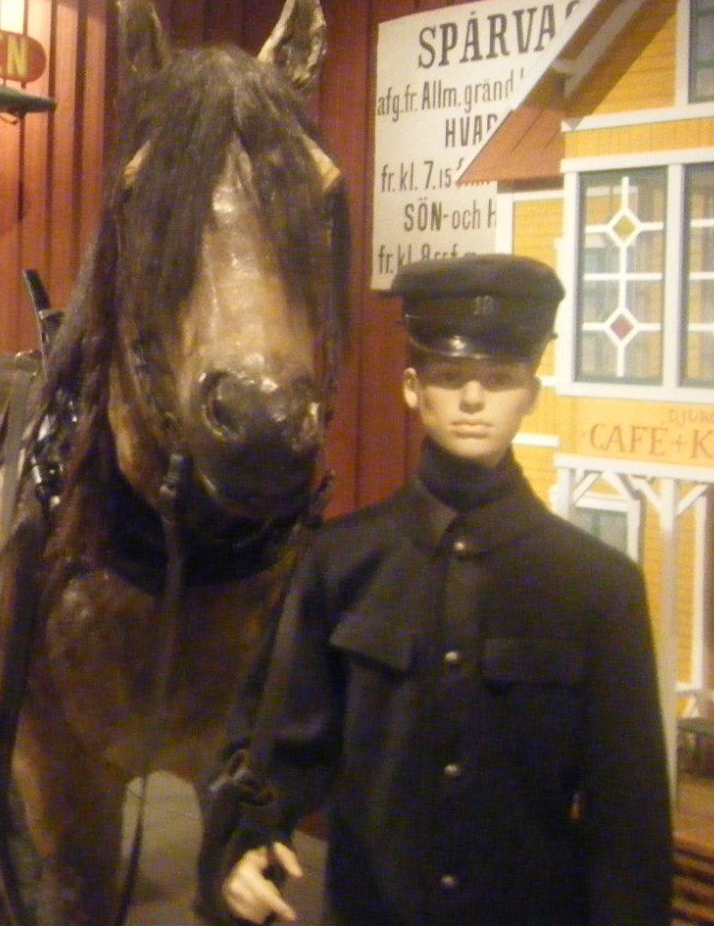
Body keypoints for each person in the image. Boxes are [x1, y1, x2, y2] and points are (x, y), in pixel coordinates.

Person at [215, 253, 671, 926]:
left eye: (500, 378)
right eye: (451, 376)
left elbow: (628, 816)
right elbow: (276, 743)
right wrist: (247, 842)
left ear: (532, 395)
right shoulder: (341, 563)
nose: (474, 399)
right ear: (410, 388)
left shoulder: (598, 588)